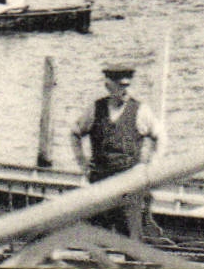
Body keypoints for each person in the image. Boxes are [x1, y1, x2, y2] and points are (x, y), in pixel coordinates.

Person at [70, 63, 163, 236]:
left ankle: (132, 261)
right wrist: (82, 164)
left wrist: (150, 167)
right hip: (100, 182)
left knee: (130, 235)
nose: (124, 91)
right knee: (97, 236)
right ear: (108, 85)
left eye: (127, 86)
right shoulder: (95, 109)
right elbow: (75, 133)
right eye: (120, 86)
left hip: (129, 182)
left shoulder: (140, 110)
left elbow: (160, 136)